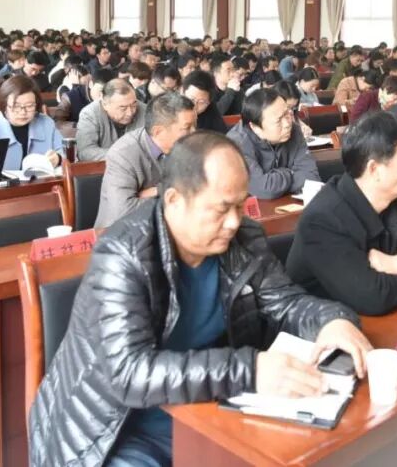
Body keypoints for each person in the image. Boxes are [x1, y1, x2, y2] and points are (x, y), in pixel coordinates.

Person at [29, 131, 370, 467]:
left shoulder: (243, 239)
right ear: (174, 200)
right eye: (221, 209)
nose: (234, 222)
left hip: (207, 408)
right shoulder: (124, 255)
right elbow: (129, 375)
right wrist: (251, 370)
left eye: (241, 205)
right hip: (116, 431)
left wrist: (332, 321)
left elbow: (285, 301)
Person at [286, 111, 397, 315]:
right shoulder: (323, 221)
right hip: (324, 325)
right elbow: (373, 297)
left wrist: (395, 263)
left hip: (380, 318)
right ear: (374, 169)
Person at [95, 93, 197, 227]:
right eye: (187, 128)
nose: (194, 133)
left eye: (195, 125)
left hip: (170, 226)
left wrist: (157, 191)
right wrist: (169, 192)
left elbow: (198, 188)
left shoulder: (188, 147)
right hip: (123, 233)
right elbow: (123, 211)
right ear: (158, 131)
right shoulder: (123, 154)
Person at [226, 88, 320, 199]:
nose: (287, 124)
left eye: (287, 113)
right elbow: (264, 189)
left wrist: (274, 181)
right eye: (278, 120)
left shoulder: (294, 130)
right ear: (255, 127)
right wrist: (290, 173)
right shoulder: (236, 144)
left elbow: (311, 178)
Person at [0, 75, 63, 171]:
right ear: (4, 105)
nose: (23, 112)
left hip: (42, 180)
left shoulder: (46, 123)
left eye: (29, 106)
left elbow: (65, 152)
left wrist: (58, 158)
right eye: (16, 106)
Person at [75, 79, 146, 161]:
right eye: (123, 108)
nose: (130, 113)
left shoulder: (145, 111)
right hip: (104, 168)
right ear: (105, 104)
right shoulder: (90, 114)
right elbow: (85, 152)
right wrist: (124, 155)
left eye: (134, 105)